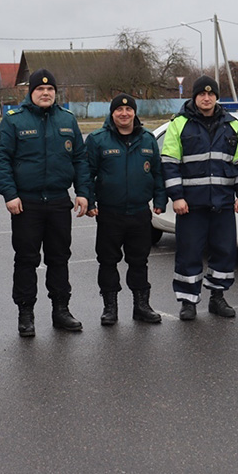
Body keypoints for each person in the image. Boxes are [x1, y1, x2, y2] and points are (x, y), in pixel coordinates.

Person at [0, 69, 91, 337]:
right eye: (40, 90)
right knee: (26, 259)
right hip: (27, 203)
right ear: (31, 92)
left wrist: (83, 192)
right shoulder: (14, 121)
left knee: (59, 258)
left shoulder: (67, 119)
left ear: (55, 93)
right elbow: (1, 160)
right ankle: (26, 314)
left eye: (50, 90)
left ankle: (61, 311)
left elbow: (80, 159)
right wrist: (10, 195)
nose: (45, 93)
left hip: (59, 201)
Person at [161, 75, 238, 321]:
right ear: (195, 96)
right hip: (190, 206)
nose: (206, 98)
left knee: (224, 252)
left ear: (216, 97)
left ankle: (217, 298)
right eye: (202, 94)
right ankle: (188, 302)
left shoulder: (231, 125)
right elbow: (169, 163)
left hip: (222, 204)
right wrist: (176, 197)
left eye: (211, 94)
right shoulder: (179, 124)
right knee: (189, 254)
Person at [86, 94, 167, 325]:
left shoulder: (147, 139)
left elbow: (157, 173)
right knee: (108, 261)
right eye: (119, 110)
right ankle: (110, 307)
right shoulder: (98, 139)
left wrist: (160, 200)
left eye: (129, 110)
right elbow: (86, 174)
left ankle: (141, 306)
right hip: (109, 214)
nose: (124, 114)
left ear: (134, 112)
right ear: (112, 114)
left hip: (140, 213)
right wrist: (90, 202)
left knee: (139, 261)